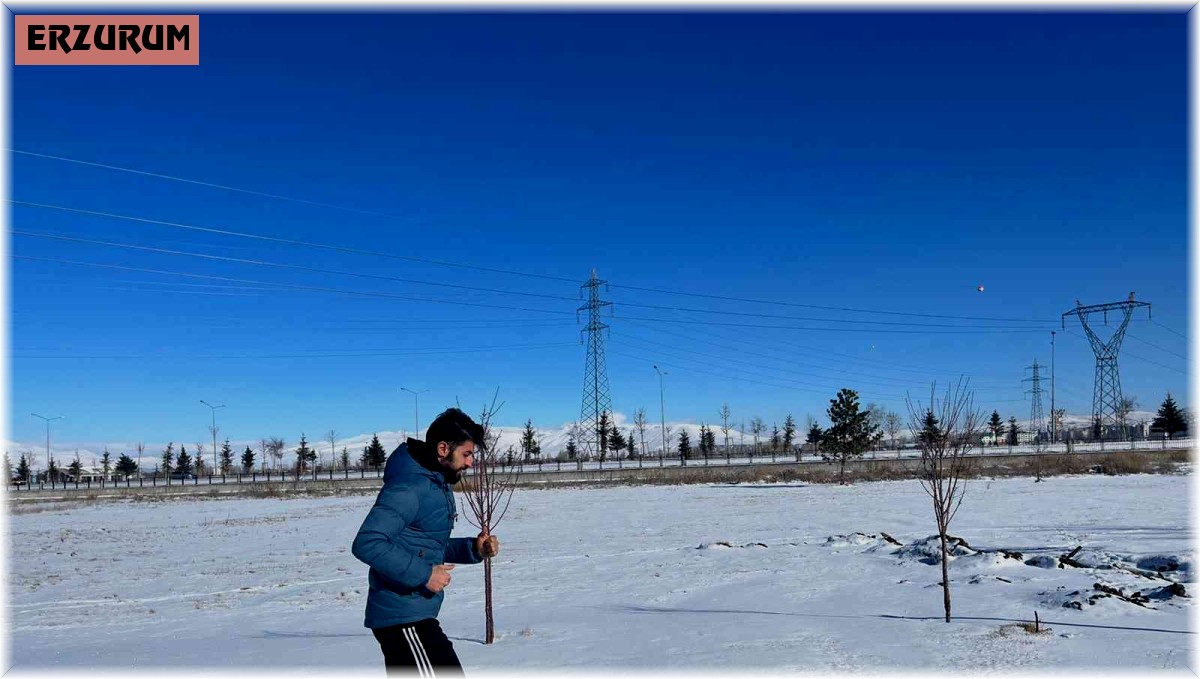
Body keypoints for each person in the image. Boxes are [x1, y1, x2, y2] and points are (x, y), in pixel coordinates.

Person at [352, 408, 501, 676]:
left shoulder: (435, 484)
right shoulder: (409, 488)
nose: (470, 463)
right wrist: (425, 574)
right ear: (443, 449)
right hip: (402, 615)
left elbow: (425, 544)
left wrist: (473, 548)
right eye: (466, 454)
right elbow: (368, 542)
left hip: (413, 613)